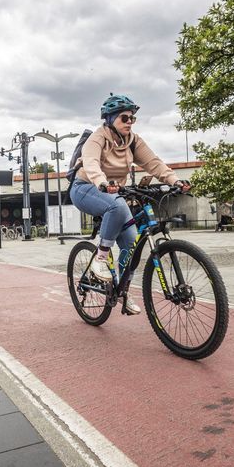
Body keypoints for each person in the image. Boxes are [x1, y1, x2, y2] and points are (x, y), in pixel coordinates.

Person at [69, 94, 190, 315]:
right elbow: (91, 163)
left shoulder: (133, 141)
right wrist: (102, 182)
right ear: (109, 119)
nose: (130, 122)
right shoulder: (97, 138)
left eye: (132, 118)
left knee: (131, 244)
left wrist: (175, 181)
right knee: (116, 206)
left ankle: (122, 291)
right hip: (85, 188)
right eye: (124, 118)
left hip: (115, 193)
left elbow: (153, 163)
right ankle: (100, 258)